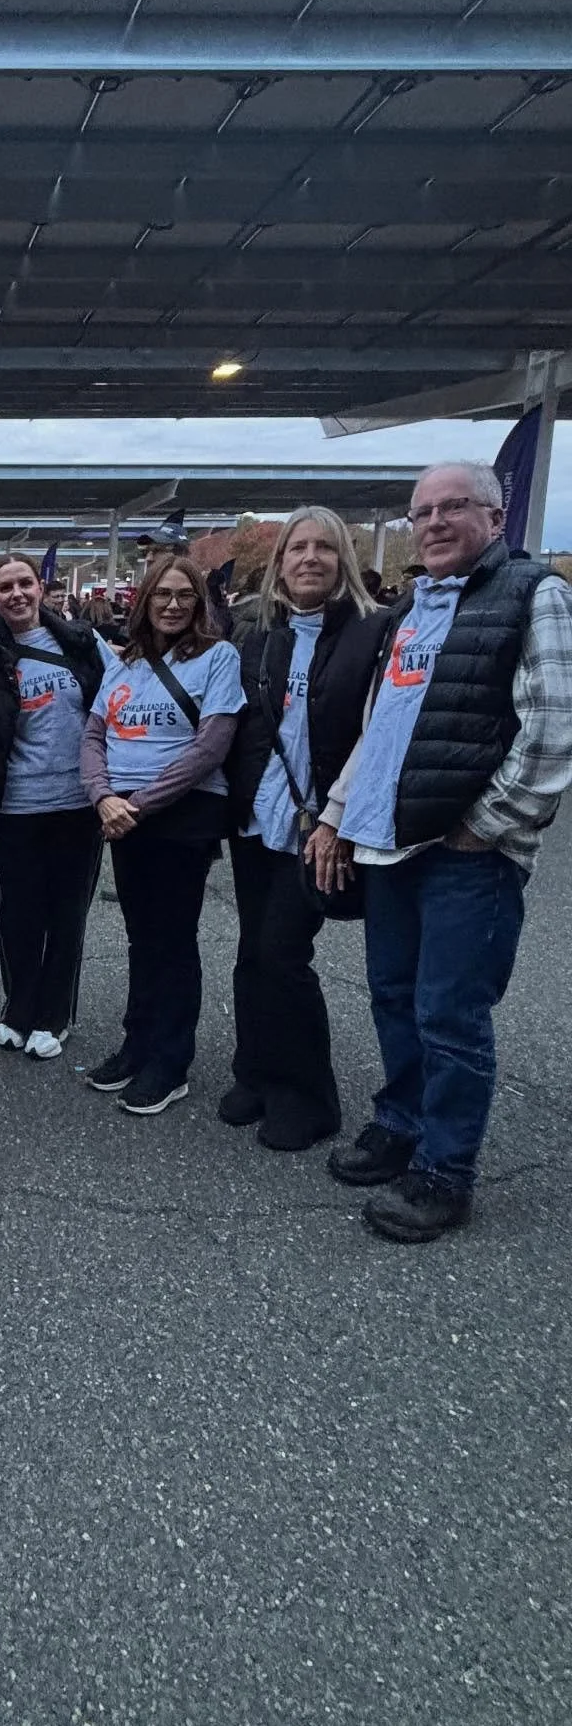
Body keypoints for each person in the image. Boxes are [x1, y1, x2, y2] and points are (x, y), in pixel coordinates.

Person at [312, 463, 572, 1241]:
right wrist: (335, 816)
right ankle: (402, 1122)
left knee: (450, 1015)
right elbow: (380, 730)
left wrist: (484, 825)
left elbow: (553, 731)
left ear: (495, 517)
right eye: (421, 511)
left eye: (452, 507)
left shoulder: (535, 594)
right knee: (394, 997)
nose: (432, 523)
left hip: (468, 854)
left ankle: (445, 1170)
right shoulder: (410, 610)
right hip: (391, 842)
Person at [223, 509, 384, 1150]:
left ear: (342, 556)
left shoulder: (373, 633)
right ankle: (256, 1072)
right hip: (258, 816)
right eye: (297, 547)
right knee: (250, 951)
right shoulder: (257, 631)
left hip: (322, 825)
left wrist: (343, 819)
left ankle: (308, 1096)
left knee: (283, 953)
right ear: (281, 560)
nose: (309, 558)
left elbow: (378, 735)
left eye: (323, 547)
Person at [81, 555, 245, 1115]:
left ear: (201, 604)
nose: (172, 605)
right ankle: (137, 1042)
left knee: (172, 941)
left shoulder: (218, 658)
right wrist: (102, 795)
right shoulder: (125, 663)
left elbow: (210, 747)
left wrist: (138, 804)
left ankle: (170, 1061)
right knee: (140, 936)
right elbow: (94, 735)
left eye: (184, 596)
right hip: (120, 813)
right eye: (161, 595)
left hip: (180, 814)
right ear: (143, 601)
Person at [0, 553, 105, 1060]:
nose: (17, 594)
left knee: (67, 909)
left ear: (41, 586)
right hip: (18, 802)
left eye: (25, 582)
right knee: (17, 910)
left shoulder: (80, 643)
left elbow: (116, 698)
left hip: (78, 800)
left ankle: (56, 1011)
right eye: (5, 587)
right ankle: (19, 1004)